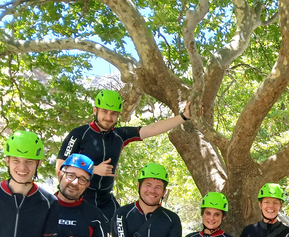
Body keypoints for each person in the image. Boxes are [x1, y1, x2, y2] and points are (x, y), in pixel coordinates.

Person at [56, 89, 192, 221]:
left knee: (127, 229)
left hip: (105, 200)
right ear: (95, 110)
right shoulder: (79, 134)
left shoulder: (119, 135)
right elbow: (60, 168)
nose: (108, 117)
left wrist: (183, 117)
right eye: (104, 111)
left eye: (114, 113)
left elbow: (152, 129)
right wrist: (94, 169)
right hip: (79, 196)